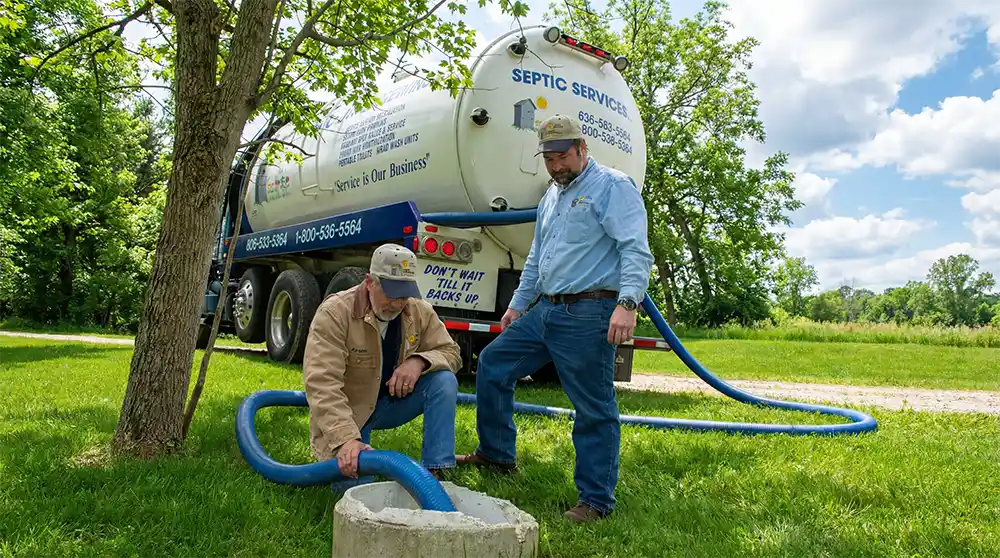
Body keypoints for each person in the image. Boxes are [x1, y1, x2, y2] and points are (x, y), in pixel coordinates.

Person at [456, 114, 654, 523]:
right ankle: (496, 455)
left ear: (582, 148)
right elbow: (536, 258)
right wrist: (517, 306)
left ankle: (595, 501)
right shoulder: (551, 196)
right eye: (548, 159)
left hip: (590, 311)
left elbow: (635, 249)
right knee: (493, 363)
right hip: (546, 310)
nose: (556, 165)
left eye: (563, 156)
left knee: (593, 406)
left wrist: (628, 304)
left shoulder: (613, 187)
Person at [302, 243, 463, 489]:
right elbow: (322, 385)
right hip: (351, 413)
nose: (398, 303)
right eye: (391, 293)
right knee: (358, 491)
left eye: (404, 294)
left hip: (391, 403)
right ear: (369, 282)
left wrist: (419, 361)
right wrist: (346, 440)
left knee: (444, 381)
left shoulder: (419, 310)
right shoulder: (335, 313)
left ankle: (435, 472)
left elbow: (451, 352)